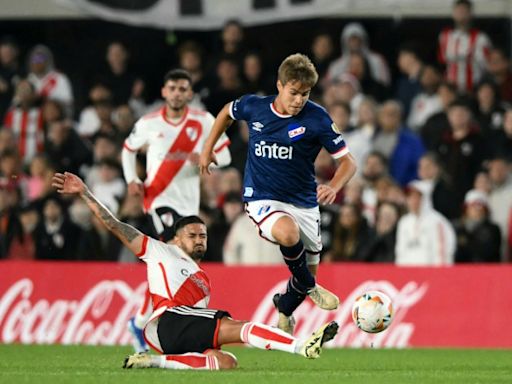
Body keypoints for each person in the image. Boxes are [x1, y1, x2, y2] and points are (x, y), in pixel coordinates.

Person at [52, 171, 339, 370]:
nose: (200, 240)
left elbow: (200, 321)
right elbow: (115, 224)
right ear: (175, 239)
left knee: (226, 362)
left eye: (203, 236)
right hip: (168, 321)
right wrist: (84, 192)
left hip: (171, 338)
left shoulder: (202, 277)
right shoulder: (160, 250)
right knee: (241, 328)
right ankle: (301, 346)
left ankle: (154, 362)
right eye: (192, 235)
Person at [199, 53, 357, 335]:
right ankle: (310, 286)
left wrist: (333, 186)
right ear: (280, 85)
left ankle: (284, 308)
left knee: (303, 272)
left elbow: (348, 162)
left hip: (304, 201)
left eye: (305, 94)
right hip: (262, 197)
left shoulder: (317, 118)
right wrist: (208, 146)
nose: (299, 100)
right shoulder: (255, 107)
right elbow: (226, 112)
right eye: (293, 92)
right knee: (288, 234)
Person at [121, 68, 232, 352]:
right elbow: (128, 149)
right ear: (164, 92)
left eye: (183, 89)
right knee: (173, 255)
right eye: (173, 88)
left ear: (190, 94)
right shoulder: (148, 123)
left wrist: (208, 156)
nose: (177, 93)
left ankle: (143, 320)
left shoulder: (204, 120)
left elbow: (228, 154)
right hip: (158, 200)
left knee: (169, 264)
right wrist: (132, 179)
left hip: (188, 205)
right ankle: (152, 320)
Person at [395, 180, 456, 266]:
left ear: (425, 198)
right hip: (408, 276)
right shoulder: (404, 222)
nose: (412, 201)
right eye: (409, 197)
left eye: (416, 197)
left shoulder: (437, 222)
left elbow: (442, 254)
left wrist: (440, 276)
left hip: (431, 274)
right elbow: (400, 253)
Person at [437, 0, 491, 93]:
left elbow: (488, 66)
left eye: (464, 11)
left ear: (470, 14)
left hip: (473, 90)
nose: (461, 14)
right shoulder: (444, 36)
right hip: (452, 91)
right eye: (458, 11)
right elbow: (442, 63)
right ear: (453, 13)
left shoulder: (481, 38)